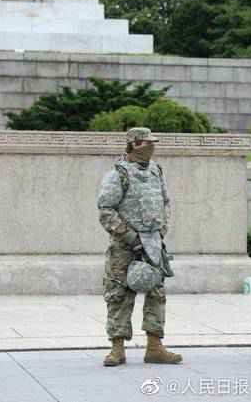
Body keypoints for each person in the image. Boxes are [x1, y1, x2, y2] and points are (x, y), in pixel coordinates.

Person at [97, 127, 182, 367]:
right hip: (124, 246)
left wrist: (161, 230)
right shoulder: (118, 173)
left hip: (153, 243)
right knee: (118, 294)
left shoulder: (156, 170)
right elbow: (106, 211)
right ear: (134, 144)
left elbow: (165, 202)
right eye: (147, 143)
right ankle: (117, 348)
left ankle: (155, 346)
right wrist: (131, 237)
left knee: (157, 294)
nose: (152, 147)